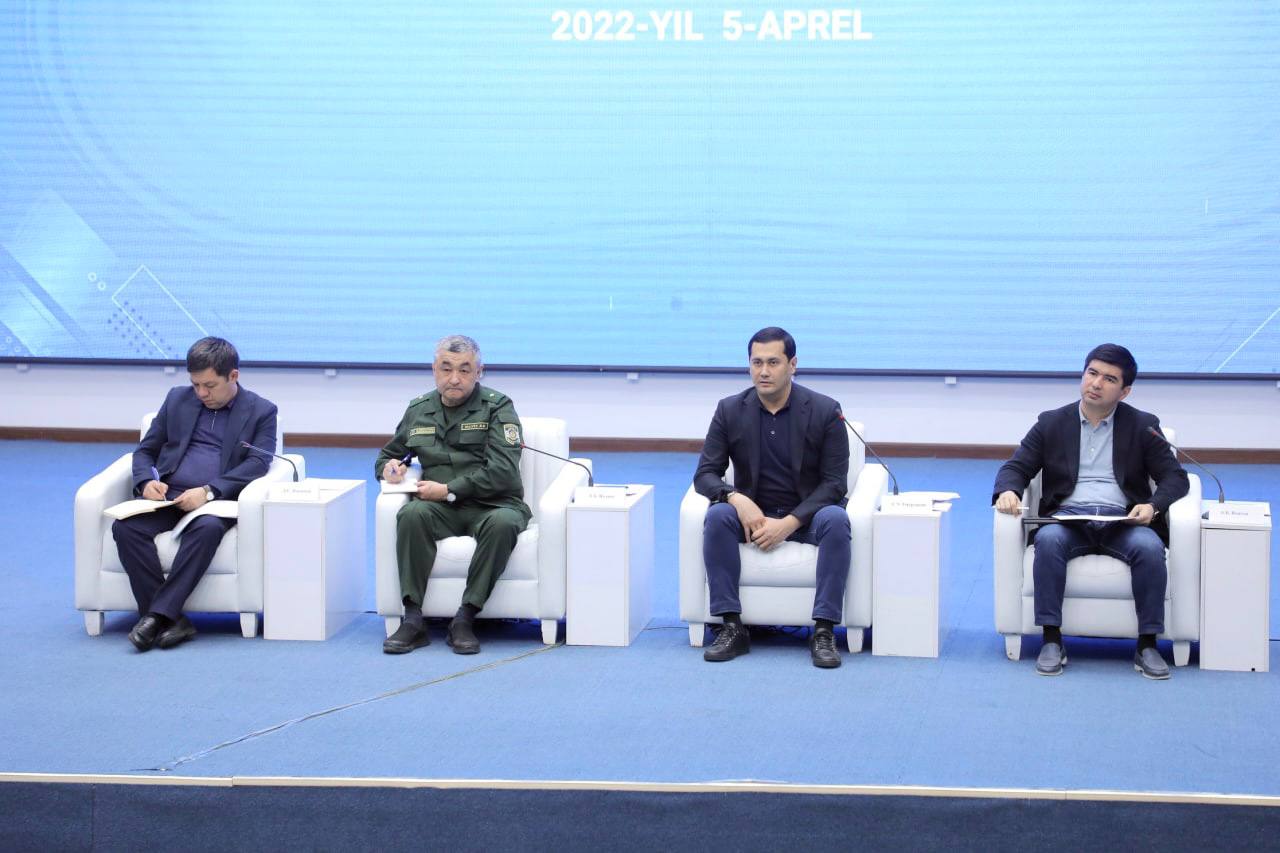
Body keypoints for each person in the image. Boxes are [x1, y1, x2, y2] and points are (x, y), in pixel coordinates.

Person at [993, 343, 1189, 679]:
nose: (1096, 383)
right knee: (1048, 541)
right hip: (1069, 519)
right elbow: (1016, 466)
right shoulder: (1052, 422)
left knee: (1149, 547)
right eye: (1092, 373)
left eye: (1109, 379)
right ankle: (1051, 640)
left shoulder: (1143, 426)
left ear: (1124, 391)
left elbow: (1175, 477)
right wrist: (1008, 490)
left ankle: (1147, 645)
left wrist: (1153, 506)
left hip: (1122, 521)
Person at [692, 327, 852, 668]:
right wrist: (736, 498)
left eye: (773, 362)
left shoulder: (825, 411)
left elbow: (835, 484)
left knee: (837, 519)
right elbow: (705, 474)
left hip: (807, 516)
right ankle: (731, 626)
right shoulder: (730, 410)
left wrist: (789, 523)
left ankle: (824, 630)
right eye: (757, 363)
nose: (763, 371)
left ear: (792, 365)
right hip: (754, 517)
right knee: (718, 515)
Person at [112, 337, 279, 651]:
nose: (202, 393)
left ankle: (154, 617)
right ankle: (172, 620)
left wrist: (208, 491)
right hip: (168, 497)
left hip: (215, 503)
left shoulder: (261, 411)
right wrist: (146, 482)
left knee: (207, 529)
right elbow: (145, 451)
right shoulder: (177, 399)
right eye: (196, 384)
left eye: (210, 385)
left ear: (233, 376)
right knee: (126, 528)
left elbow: (258, 463)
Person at [376, 335, 531, 655]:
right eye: (446, 369)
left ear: (479, 372)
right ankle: (413, 620)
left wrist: (448, 489)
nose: (454, 378)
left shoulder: (498, 407)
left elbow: (503, 471)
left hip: (492, 503)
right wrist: (390, 469)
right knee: (411, 514)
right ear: (434, 370)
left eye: (464, 369)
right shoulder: (419, 409)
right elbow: (388, 456)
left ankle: (465, 618)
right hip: (440, 508)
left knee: (503, 523)